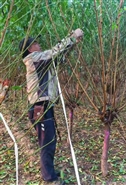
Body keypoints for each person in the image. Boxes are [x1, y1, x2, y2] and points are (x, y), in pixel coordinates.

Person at [19, 29, 83, 185]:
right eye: (36, 43)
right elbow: (53, 53)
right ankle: (49, 178)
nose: (39, 44)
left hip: (44, 106)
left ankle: (49, 172)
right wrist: (72, 37)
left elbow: (58, 57)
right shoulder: (33, 59)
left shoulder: (41, 61)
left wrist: (72, 43)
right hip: (39, 108)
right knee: (47, 142)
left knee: (49, 140)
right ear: (29, 49)